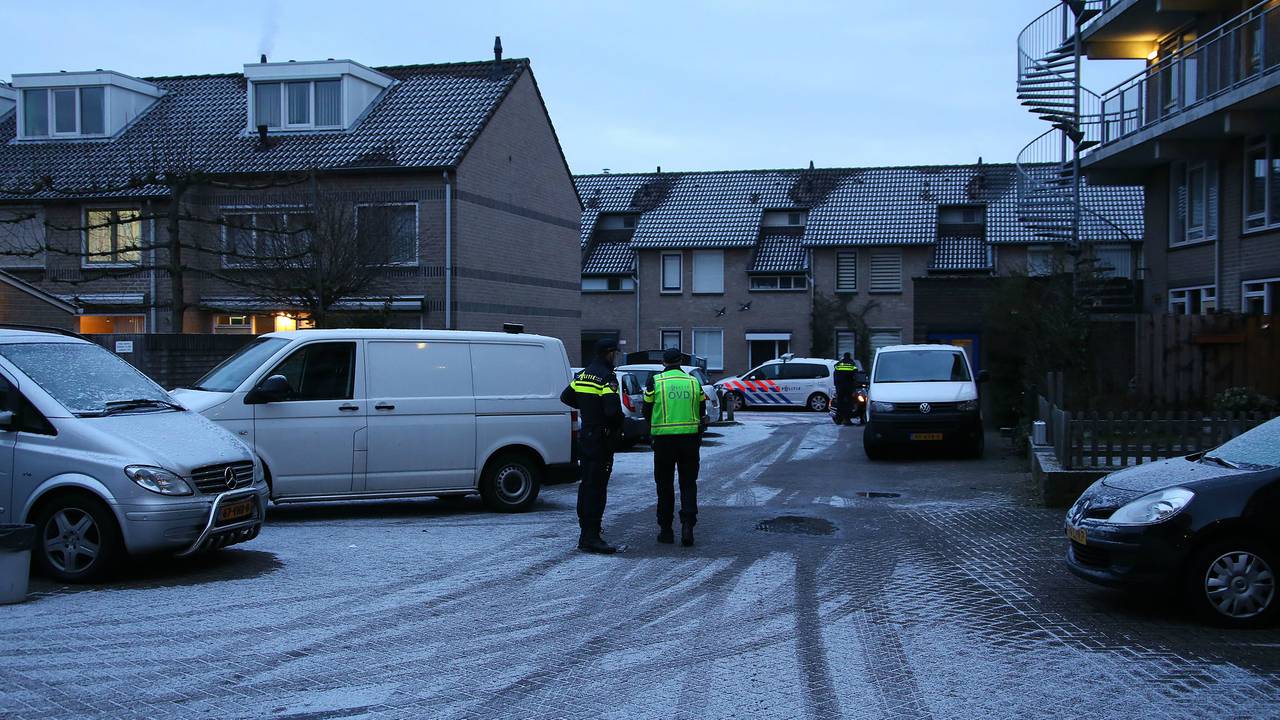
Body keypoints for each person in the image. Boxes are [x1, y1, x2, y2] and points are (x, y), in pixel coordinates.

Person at [560, 339, 623, 554]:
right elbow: (612, 411)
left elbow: (566, 396)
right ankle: (592, 536)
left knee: (586, 484)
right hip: (601, 439)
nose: (616, 357)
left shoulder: (583, 374)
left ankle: (585, 533)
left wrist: (588, 408)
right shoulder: (607, 377)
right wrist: (619, 425)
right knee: (597, 487)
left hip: (586, 435)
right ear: (609, 353)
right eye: (615, 354)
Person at [642, 348, 706, 547]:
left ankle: (666, 530)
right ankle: (687, 526)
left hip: (663, 441)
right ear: (680, 361)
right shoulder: (693, 381)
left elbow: (646, 410)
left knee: (664, 486)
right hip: (689, 440)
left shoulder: (655, 381)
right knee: (688, 483)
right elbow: (702, 409)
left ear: (663, 362)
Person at [834, 353, 859, 426]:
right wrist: (855, 387)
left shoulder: (839, 364)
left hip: (840, 387)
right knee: (848, 404)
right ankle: (847, 420)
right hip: (849, 387)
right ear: (849, 356)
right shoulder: (852, 364)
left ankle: (838, 419)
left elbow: (835, 374)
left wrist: (836, 386)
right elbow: (855, 376)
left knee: (840, 403)